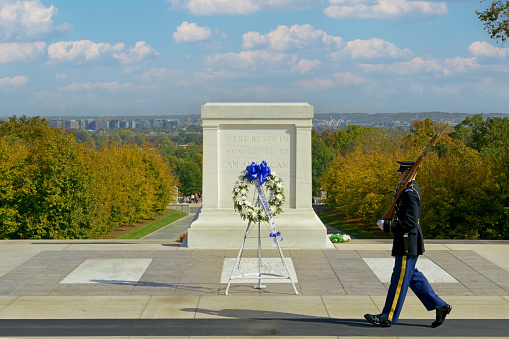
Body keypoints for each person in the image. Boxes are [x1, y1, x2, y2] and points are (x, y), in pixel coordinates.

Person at [364, 161, 452, 328]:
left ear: (410, 174)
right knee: (412, 277)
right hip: (407, 241)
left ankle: (387, 316)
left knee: (398, 280)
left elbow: (410, 222)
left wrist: (388, 226)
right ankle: (440, 306)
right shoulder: (407, 191)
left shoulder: (410, 193)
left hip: (407, 241)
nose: (398, 174)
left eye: (401, 173)